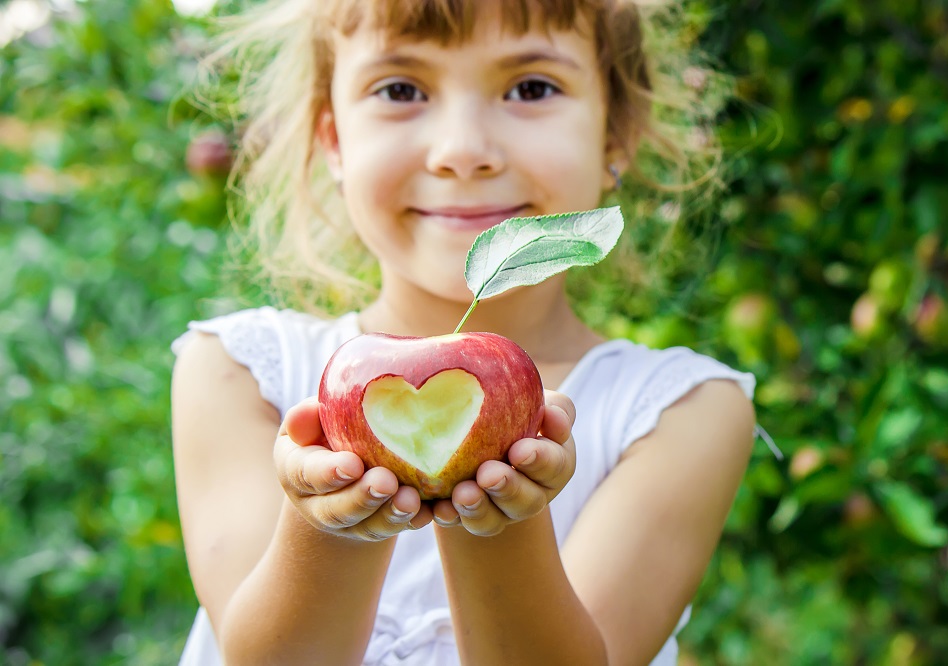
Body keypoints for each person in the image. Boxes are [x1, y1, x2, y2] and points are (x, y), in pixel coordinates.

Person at [170, 1, 760, 664]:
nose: (462, 152)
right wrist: (332, 523)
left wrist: (498, 514)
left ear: (615, 136)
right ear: (333, 142)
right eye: (401, 90)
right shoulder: (239, 372)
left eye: (531, 88)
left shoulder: (681, 410)